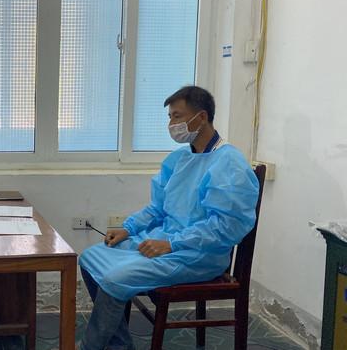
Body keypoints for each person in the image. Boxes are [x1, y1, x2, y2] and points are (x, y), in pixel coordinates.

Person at [78, 86, 260, 350]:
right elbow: (158, 208)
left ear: (201, 117)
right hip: (165, 242)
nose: (171, 124)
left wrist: (172, 244)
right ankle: (119, 345)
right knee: (90, 258)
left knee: (115, 278)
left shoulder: (230, 163)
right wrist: (128, 228)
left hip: (199, 255)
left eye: (177, 116)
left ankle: (90, 346)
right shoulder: (180, 159)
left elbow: (225, 227)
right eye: (170, 117)